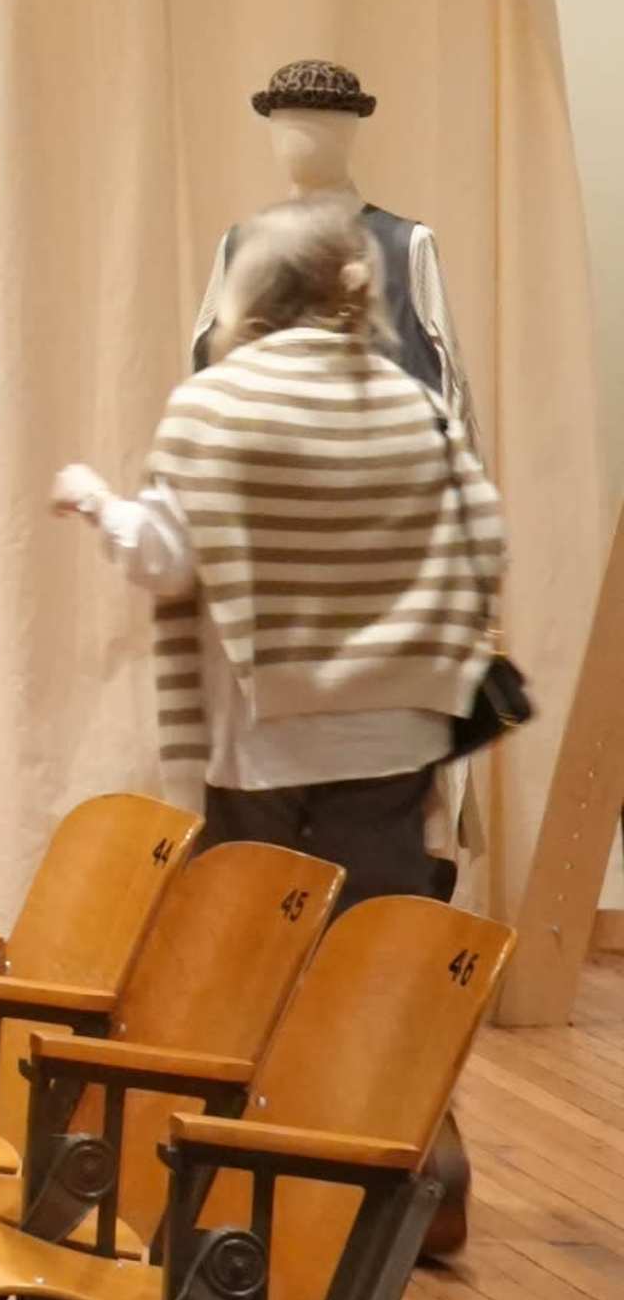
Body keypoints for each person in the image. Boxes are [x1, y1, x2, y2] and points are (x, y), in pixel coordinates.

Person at [54, 193, 505, 901]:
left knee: (250, 939)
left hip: (262, 737)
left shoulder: (217, 403)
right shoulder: (413, 403)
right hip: (395, 734)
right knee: (366, 944)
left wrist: (96, 500)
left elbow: (164, 560)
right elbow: (481, 542)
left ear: (253, 291)